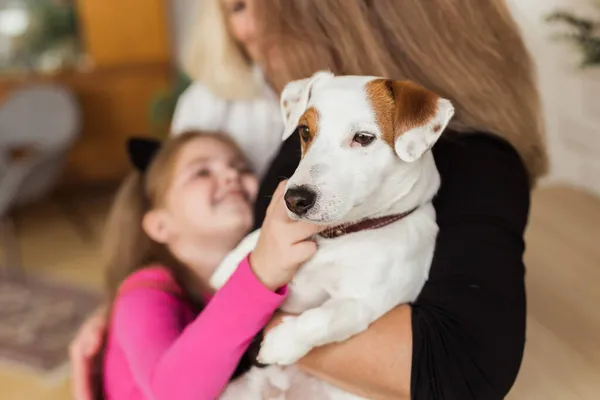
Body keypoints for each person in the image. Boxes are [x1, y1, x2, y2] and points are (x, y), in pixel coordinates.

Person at [70, 0, 548, 399]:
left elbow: (461, 365)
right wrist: (132, 308)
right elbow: (186, 226)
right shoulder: (302, 118)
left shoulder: (466, 164)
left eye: (259, 5)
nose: (243, 27)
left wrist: (260, 313)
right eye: (234, 7)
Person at [89, 130, 322, 399]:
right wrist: (259, 274)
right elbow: (172, 394)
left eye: (241, 167)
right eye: (201, 172)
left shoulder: (222, 285)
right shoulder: (142, 295)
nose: (231, 175)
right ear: (160, 225)